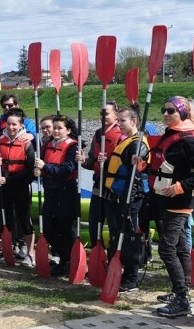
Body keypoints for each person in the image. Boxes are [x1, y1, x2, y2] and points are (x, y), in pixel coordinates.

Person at [144, 97, 194, 316]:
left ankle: (182, 299)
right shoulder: (171, 134)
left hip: (179, 202)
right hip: (162, 198)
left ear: (183, 114)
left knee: (166, 249)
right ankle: (182, 289)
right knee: (178, 247)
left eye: (172, 111)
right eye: (164, 110)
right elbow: (162, 165)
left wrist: (180, 188)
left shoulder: (190, 141)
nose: (166, 114)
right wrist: (142, 166)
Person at [103, 107, 150, 291]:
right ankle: (120, 273)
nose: (120, 124)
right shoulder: (126, 141)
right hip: (119, 195)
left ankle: (132, 279)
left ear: (134, 121)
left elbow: (137, 173)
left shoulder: (138, 144)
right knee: (117, 234)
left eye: (123, 121)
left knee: (130, 237)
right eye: (119, 121)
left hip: (130, 198)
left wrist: (127, 202)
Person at [34, 115, 79, 276]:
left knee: (66, 229)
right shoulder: (47, 145)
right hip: (50, 191)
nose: (55, 131)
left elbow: (66, 170)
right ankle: (62, 257)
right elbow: (43, 168)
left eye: (60, 128)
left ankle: (69, 261)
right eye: (54, 127)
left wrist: (45, 167)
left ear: (67, 130)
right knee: (49, 228)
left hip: (66, 191)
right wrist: (38, 170)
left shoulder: (72, 147)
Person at [0, 107, 35, 267]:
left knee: (24, 219)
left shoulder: (27, 143)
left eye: (14, 125)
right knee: (6, 219)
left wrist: (9, 180)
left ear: (21, 126)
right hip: (4, 187)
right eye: (9, 124)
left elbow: (30, 170)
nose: (11, 128)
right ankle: (8, 250)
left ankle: (30, 253)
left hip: (20, 186)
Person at [82, 101, 124, 249]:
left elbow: (124, 165)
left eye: (106, 113)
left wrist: (107, 162)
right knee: (94, 225)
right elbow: (91, 162)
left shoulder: (121, 134)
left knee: (114, 225)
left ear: (116, 114)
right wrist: (83, 161)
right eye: (102, 113)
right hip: (98, 186)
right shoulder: (98, 133)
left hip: (114, 188)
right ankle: (96, 255)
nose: (103, 116)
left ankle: (115, 257)